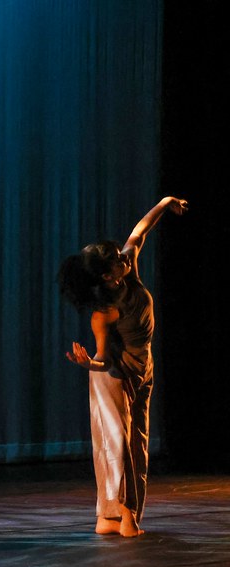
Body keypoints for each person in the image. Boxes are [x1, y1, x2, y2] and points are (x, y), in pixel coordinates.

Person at [58, 196, 188, 537]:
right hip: (115, 375)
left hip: (143, 369)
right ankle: (123, 516)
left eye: (120, 254)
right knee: (119, 444)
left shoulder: (128, 268)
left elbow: (139, 232)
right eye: (116, 260)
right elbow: (102, 357)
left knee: (138, 443)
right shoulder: (104, 311)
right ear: (107, 275)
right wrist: (88, 362)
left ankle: (111, 517)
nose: (123, 256)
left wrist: (163, 204)